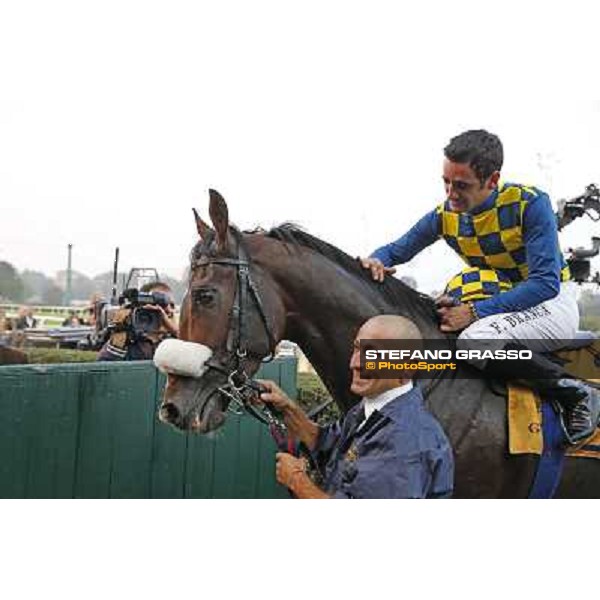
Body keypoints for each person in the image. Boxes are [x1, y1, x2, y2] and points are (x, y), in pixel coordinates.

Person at [359, 129, 599, 443]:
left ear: (492, 179)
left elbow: (544, 284)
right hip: (500, 303)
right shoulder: (444, 215)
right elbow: (396, 251)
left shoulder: (530, 203)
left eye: (461, 185)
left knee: (474, 339)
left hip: (550, 304)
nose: (450, 193)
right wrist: (375, 260)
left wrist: (474, 311)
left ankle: (575, 391)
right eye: (445, 181)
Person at [256, 315, 454, 499]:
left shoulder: (405, 441)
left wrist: (297, 481)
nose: (354, 363)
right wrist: (287, 408)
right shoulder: (370, 407)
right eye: (357, 349)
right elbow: (327, 443)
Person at [97, 281, 178, 361]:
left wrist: (175, 331)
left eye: (172, 305)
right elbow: (104, 369)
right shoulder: (126, 341)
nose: (168, 310)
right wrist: (120, 331)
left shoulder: (174, 342)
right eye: (160, 305)